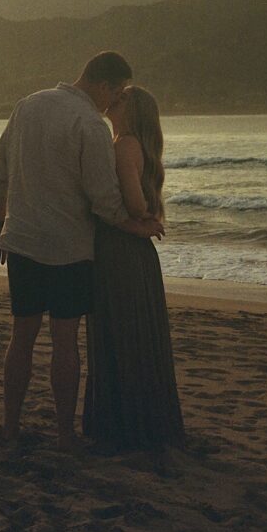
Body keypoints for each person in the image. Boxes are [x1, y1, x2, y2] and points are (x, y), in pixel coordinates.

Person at [0, 52, 164, 452]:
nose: (114, 101)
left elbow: (0, 171)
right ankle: (65, 434)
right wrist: (134, 224)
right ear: (104, 85)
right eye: (115, 93)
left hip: (23, 241)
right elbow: (103, 199)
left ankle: (10, 427)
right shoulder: (90, 124)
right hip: (68, 248)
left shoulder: (28, 105)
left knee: (22, 336)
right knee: (64, 341)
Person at [83, 85, 185, 453]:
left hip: (119, 249)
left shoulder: (124, 145)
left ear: (134, 111)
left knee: (120, 332)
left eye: (122, 98)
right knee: (135, 334)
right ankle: (140, 420)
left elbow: (133, 200)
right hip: (133, 250)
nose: (113, 99)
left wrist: (140, 217)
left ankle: (121, 425)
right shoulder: (131, 144)